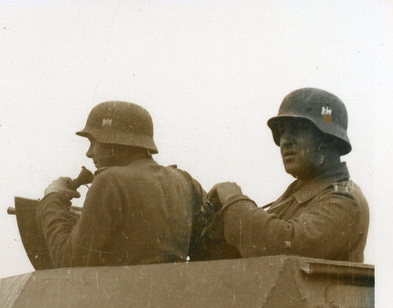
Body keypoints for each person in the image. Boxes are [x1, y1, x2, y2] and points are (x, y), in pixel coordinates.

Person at [36, 101, 209, 268]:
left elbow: (71, 263)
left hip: (124, 288)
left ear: (112, 143)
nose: (89, 153)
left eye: (93, 142)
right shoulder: (186, 181)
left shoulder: (109, 181)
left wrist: (52, 199)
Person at [207, 88, 369, 262]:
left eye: (297, 129)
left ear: (328, 140)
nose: (285, 140)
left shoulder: (345, 199)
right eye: (283, 131)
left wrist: (233, 200)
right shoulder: (294, 198)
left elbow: (285, 245)